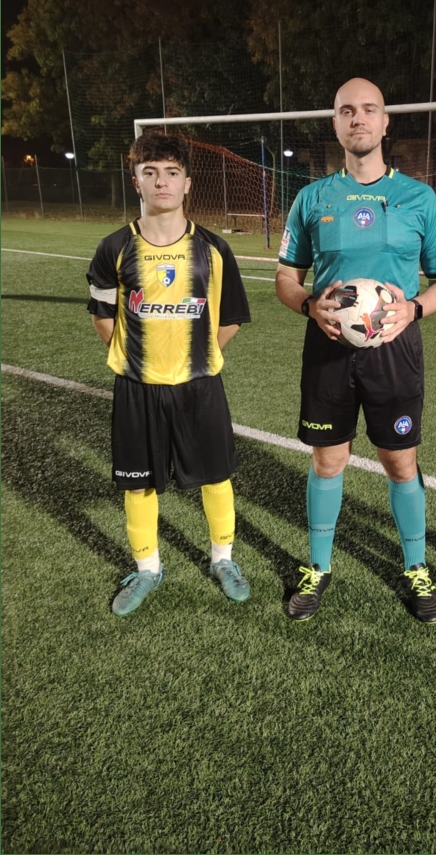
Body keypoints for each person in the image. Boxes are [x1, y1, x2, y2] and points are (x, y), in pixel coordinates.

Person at [275, 77, 436, 622]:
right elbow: (286, 277)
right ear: (335, 123)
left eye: (369, 109)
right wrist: (309, 306)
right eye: (347, 111)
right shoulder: (312, 198)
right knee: (328, 459)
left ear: (385, 121)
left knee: (400, 462)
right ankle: (318, 566)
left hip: (394, 351)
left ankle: (416, 567)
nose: (358, 119)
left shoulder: (418, 198)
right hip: (328, 347)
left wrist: (414, 309)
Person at [87, 132, 251, 616]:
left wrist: (194, 357)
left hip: (199, 386)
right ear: (136, 181)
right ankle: (147, 568)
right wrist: (139, 360)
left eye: (172, 173)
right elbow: (103, 317)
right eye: (151, 172)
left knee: (216, 476)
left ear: (187, 183)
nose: (162, 181)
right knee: (138, 483)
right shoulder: (114, 247)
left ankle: (223, 560)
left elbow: (230, 319)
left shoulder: (214, 249)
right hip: (137, 389)